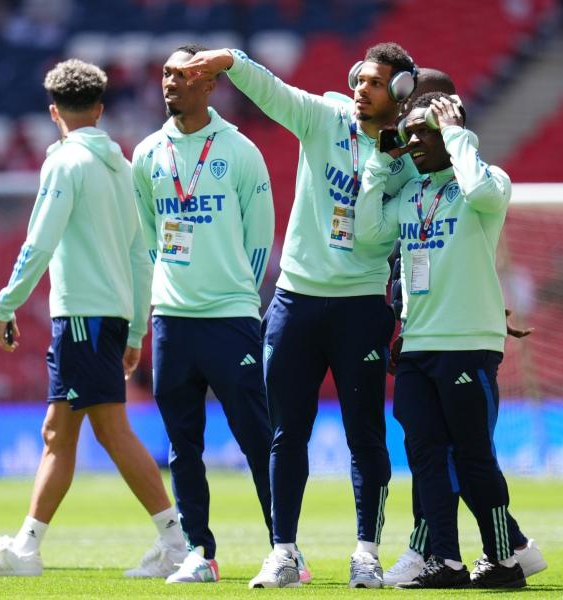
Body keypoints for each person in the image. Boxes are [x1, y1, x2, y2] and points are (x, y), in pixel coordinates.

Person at [181, 43, 417, 588]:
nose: (362, 89)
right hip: (295, 299)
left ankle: (366, 552)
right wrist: (230, 61)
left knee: (366, 435)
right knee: (287, 433)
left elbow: (397, 239)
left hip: (361, 305)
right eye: (361, 78)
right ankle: (283, 551)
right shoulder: (323, 117)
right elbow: (272, 91)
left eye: (377, 83)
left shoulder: (407, 156)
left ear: (400, 93)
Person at [0, 58, 187, 578]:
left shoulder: (65, 163)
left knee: (108, 430)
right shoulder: (121, 166)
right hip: (104, 317)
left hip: (81, 316)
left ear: (53, 111)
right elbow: (139, 254)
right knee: (57, 434)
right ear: (101, 109)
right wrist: (134, 327)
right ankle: (26, 547)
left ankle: (177, 542)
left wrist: (7, 301)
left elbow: (40, 238)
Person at [356, 92, 533, 589]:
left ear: (451, 132)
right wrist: (377, 163)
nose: (413, 140)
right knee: (426, 456)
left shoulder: (487, 180)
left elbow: (483, 196)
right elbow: (368, 232)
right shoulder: (413, 194)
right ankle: (445, 561)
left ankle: (503, 561)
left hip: (468, 341)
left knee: (474, 455)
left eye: (423, 131)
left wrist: (458, 136)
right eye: (408, 132)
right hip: (417, 344)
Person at [131, 44, 277, 585]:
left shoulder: (240, 152)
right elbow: (149, 236)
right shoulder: (147, 154)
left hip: (230, 316)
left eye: (184, 73)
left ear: (210, 84)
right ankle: (199, 552)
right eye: (166, 72)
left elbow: (259, 241)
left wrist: (234, 290)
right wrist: (168, 289)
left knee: (256, 437)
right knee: (181, 446)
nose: (171, 82)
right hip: (172, 318)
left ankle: (283, 547)